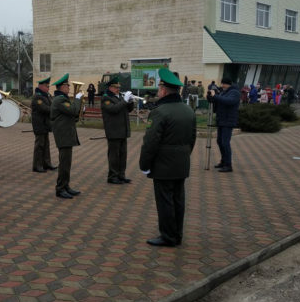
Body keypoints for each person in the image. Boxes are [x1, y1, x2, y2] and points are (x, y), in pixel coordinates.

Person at [139, 68, 196, 247]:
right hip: (182, 162)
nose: (158, 91)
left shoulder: (160, 111)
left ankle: (168, 237)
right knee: (178, 200)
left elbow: (151, 142)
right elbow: (192, 139)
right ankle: (177, 234)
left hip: (163, 164)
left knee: (165, 202)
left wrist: (144, 164)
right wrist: (184, 155)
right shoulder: (188, 110)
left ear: (163, 90)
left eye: (159, 88)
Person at [50, 73, 83, 199]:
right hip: (63, 134)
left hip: (66, 133)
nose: (69, 87)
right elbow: (73, 110)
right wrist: (78, 99)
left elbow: (71, 115)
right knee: (64, 163)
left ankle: (66, 186)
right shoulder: (60, 100)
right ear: (61, 87)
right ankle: (60, 188)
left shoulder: (63, 99)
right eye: (67, 86)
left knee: (67, 163)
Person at [100, 75, 135, 184]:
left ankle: (121, 175)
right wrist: (124, 100)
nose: (118, 89)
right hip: (114, 131)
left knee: (123, 155)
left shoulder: (119, 97)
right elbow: (114, 109)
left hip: (122, 130)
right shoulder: (106, 98)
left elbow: (127, 109)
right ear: (110, 87)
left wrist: (130, 101)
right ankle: (112, 176)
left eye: (119, 87)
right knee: (114, 156)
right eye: (116, 87)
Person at [209, 77, 240, 172]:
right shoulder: (224, 92)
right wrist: (211, 97)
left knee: (225, 143)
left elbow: (229, 101)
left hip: (228, 121)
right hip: (221, 120)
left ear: (228, 84)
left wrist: (216, 96)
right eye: (222, 84)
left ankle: (228, 165)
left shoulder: (234, 92)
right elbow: (219, 102)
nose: (222, 86)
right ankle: (223, 161)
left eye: (223, 84)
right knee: (219, 141)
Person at [31, 76, 57, 173]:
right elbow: (44, 109)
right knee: (39, 145)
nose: (48, 88)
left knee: (46, 144)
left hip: (45, 124)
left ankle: (47, 163)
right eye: (47, 86)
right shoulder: (38, 97)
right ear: (41, 86)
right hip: (39, 124)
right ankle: (37, 165)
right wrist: (55, 110)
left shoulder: (45, 95)